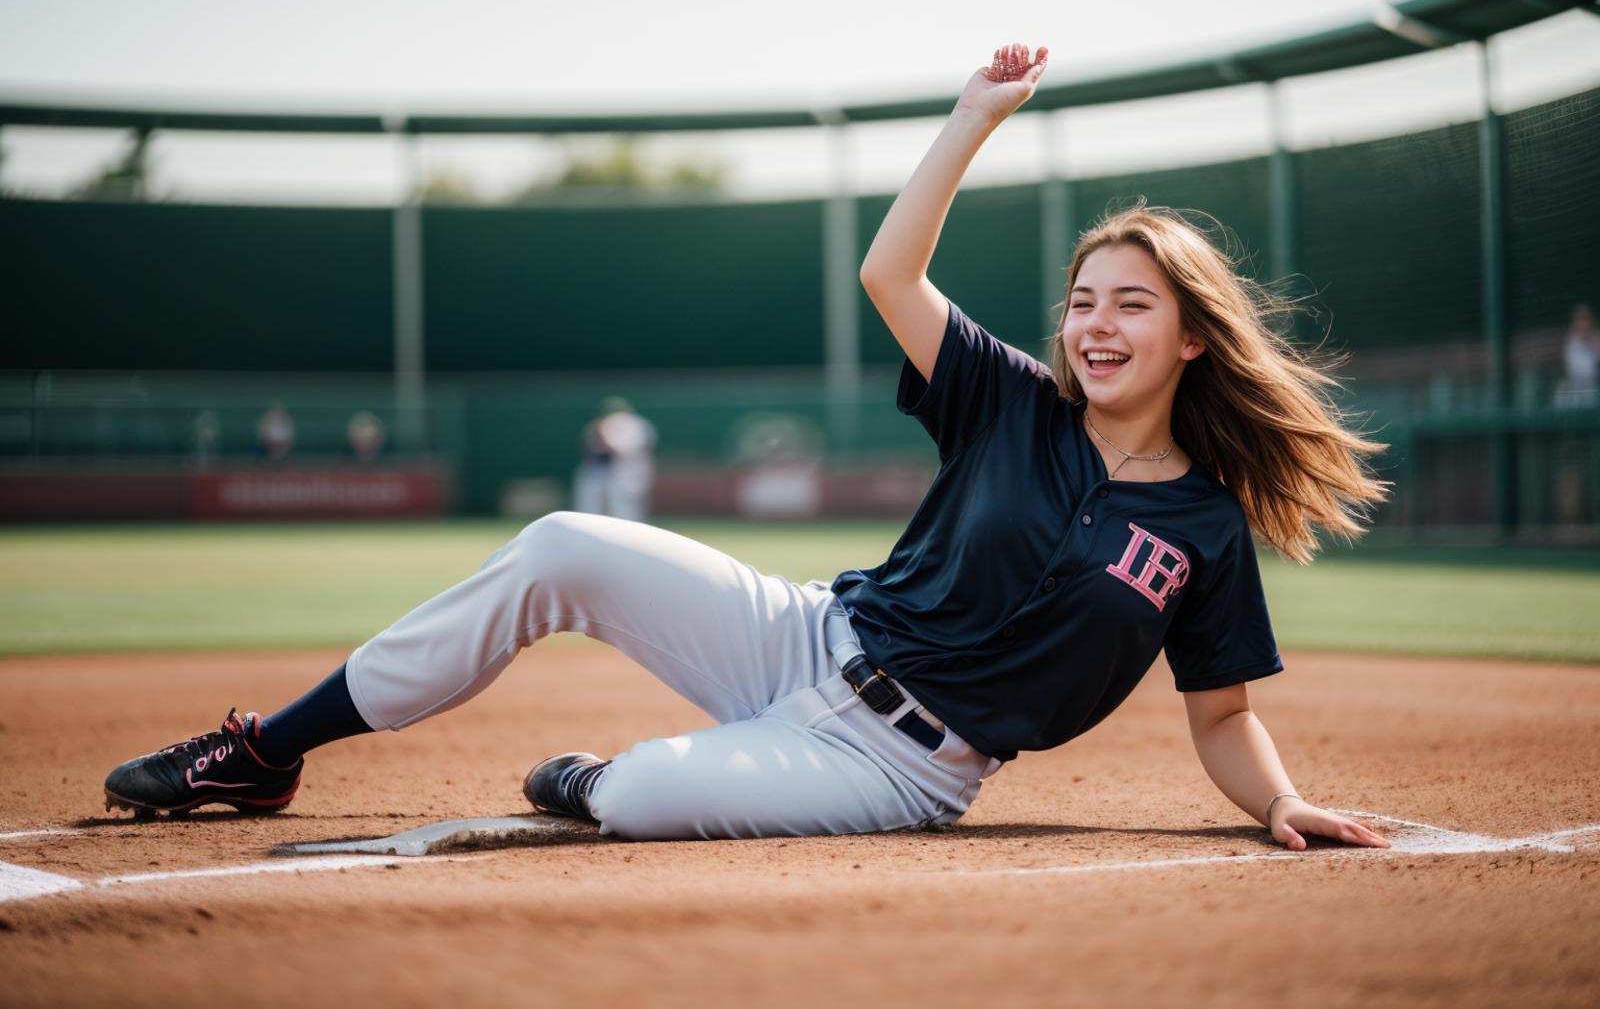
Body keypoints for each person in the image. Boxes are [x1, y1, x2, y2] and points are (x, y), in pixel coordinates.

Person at [103, 43, 1391, 852]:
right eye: (1082, 299)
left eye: (1130, 305)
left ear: (1192, 342)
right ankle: (267, 748)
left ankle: (591, 780)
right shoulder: (1011, 398)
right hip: (806, 631)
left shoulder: (1203, 526)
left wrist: (1274, 801)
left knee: (640, 799)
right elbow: (893, 271)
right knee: (563, 543)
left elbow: (1219, 712)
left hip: (898, 763)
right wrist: (969, 117)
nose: (1093, 324)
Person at [572, 397, 657, 522]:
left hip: (628, 469)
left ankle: (629, 534)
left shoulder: (632, 425)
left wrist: (603, 438)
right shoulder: (614, 424)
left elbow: (623, 449)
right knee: (601, 505)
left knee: (625, 507)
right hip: (612, 470)